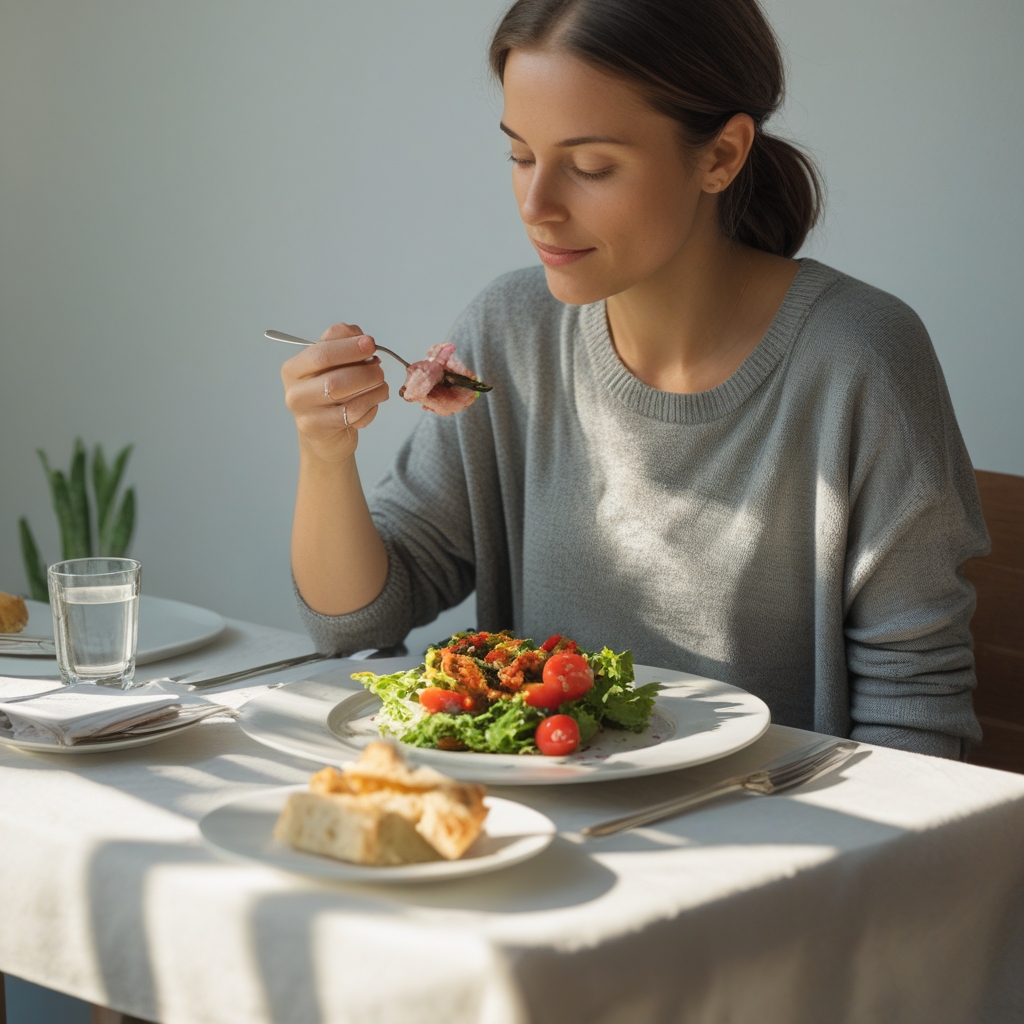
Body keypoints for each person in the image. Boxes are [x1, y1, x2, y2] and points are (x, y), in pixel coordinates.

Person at [280, 0, 989, 759]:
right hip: (546, 839)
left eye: (590, 167)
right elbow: (356, 621)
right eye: (520, 155)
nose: (536, 206)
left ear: (721, 155)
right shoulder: (511, 330)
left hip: (776, 842)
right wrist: (326, 456)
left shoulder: (860, 355)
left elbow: (914, 715)